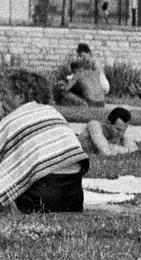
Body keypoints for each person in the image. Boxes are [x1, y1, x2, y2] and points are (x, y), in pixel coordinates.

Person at [1, 76, 90, 214]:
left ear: (20, 96)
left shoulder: (11, 121)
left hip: (41, 199)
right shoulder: (52, 112)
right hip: (74, 198)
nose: (1, 98)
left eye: (5, 93)